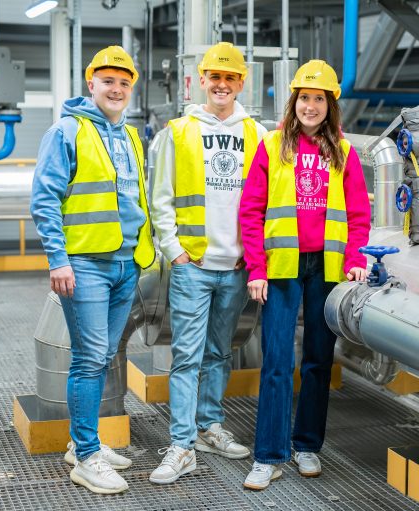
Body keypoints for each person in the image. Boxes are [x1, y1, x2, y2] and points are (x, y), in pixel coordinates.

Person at [238, 59, 371, 490]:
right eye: (304, 98)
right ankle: (268, 455)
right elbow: (252, 210)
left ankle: (307, 445)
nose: (310, 106)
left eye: (319, 99)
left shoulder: (344, 152)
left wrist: (355, 258)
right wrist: (257, 268)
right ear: (293, 101)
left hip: (326, 268)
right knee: (277, 360)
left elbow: (359, 213)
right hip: (282, 267)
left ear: (330, 106)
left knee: (318, 359)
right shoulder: (272, 145)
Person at [30, 46, 155, 495]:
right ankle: (86, 457)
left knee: (102, 357)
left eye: (123, 82)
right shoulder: (67, 131)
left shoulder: (131, 136)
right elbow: (45, 198)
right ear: (91, 84)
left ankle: (83, 442)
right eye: (108, 81)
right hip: (85, 265)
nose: (116, 89)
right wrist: (58, 259)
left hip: (126, 262)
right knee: (88, 358)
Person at [149, 42, 267, 485]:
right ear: (201, 80)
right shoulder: (178, 132)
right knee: (186, 356)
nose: (222, 84)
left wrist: (253, 257)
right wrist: (174, 251)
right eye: (215, 77)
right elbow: (160, 197)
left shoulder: (257, 134)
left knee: (219, 352)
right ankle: (181, 445)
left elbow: (266, 200)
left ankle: (208, 427)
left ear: (241, 83)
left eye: (230, 77)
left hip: (236, 267)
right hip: (193, 265)